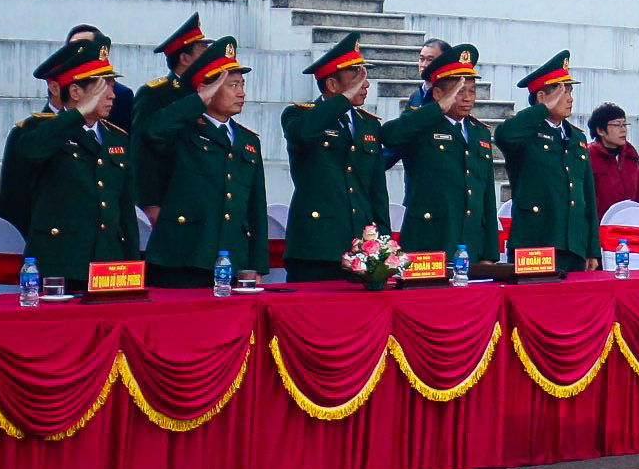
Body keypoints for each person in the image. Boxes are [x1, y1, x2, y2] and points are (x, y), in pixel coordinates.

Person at [0, 35, 135, 284]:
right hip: (60, 262)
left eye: (112, 87)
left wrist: (132, 264)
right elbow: (31, 153)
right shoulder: (35, 130)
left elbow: (125, 210)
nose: (112, 95)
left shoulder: (116, 137)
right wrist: (78, 114)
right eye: (103, 87)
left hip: (109, 265)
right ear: (75, 91)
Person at [141, 37, 269, 286]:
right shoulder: (182, 129)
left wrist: (256, 265)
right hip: (183, 256)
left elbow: (255, 206)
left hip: (231, 259)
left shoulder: (248, 140)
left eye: (242, 85)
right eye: (232, 85)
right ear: (206, 89)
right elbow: (152, 131)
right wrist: (198, 100)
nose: (241, 93)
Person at [281, 34, 393, 282]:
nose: (365, 84)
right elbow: (305, 133)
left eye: (365, 77)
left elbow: (376, 190)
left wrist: (383, 243)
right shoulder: (298, 116)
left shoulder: (368, 125)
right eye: (356, 77)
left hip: (360, 249)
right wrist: (343, 100)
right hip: (317, 246)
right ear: (332, 85)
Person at [381, 43, 501, 261]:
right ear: (437, 93)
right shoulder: (422, 125)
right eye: (459, 91)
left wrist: (490, 254)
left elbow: (486, 198)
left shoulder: (479, 132)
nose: (467, 98)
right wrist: (436, 109)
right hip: (429, 241)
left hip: (471, 245)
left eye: (472, 91)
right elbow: (389, 135)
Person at [497, 52, 599, 272]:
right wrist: (542, 110)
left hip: (573, 245)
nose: (570, 98)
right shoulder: (525, 132)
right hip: (536, 243)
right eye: (562, 92)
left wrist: (593, 248)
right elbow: (503, 135)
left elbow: (587, 197)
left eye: (570, 90)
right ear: (542, 97)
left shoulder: (577, 137)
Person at [130, 12, 208, 212]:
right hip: (169, 197)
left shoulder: (209, 90)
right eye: (203, 51)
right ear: (184, 58)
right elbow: (142, 150)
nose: (210, 57)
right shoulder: (155, 93)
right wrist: (149, 202)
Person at [587, 102, 639, 217]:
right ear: (600, 131)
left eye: (625, 124)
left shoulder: (631, 156)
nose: (623, 130)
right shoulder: (588, 156)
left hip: (629, 225)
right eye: (617, 125)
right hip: (601, 227)